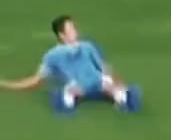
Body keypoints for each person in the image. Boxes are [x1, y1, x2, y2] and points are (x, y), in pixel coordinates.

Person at [0, 15, 141, 113]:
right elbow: (36, 81)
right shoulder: (55, 55)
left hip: (89, 84)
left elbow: (105, 68)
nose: (76, 32)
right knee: (110, 87)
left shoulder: (85, 46)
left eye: (75, 28)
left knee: (72, 92)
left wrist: (119, 83)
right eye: (71, 29)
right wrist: (7, 85)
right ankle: (122, 97)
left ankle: (68, 102)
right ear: (62, 35)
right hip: (84, 86)